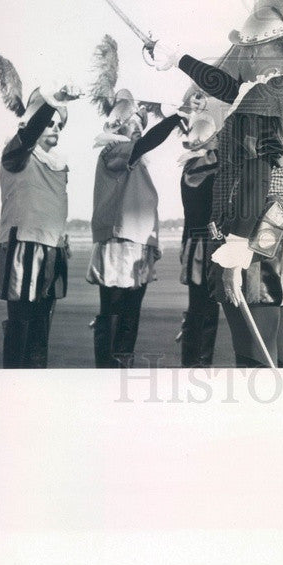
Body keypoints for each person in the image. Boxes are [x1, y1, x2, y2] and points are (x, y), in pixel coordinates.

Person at [153, 0, 283, 368]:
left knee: (255, 361)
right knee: (281, 357)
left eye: (247, 48)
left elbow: (260, 171)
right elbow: (230, 89)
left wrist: (237, 246)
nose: (241, 54)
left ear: (265, 49)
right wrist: (179, 60)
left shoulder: (263, 93)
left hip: (259, 233)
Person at [87, 36, 182, 367]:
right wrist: (172, 118)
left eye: (141, 126)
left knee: (130, 311)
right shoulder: (114, 149)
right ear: (119, 126)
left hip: (137, 243)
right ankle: (109, 368)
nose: (140, 131)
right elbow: (146, 144)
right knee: (116, 310)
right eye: (135, 126)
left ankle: (118, 365)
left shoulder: (131, 158)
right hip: (119, 242)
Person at [0, 53, 80, 368]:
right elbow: (28, 133)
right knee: (22, 327)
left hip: (53, 250)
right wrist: (52, 102)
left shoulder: (58, 163)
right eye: (48, 121)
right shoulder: (16, 153)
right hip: (23, 246)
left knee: (41, 332)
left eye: (58, 123)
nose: (54, 127)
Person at [175, 88, 230, 367]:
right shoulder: (214, 169)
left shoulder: (189, 169)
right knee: (208, 307)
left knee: (197, 307)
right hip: (209, 244)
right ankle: (199, 362)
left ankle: (193, 360)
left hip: (192, 243)